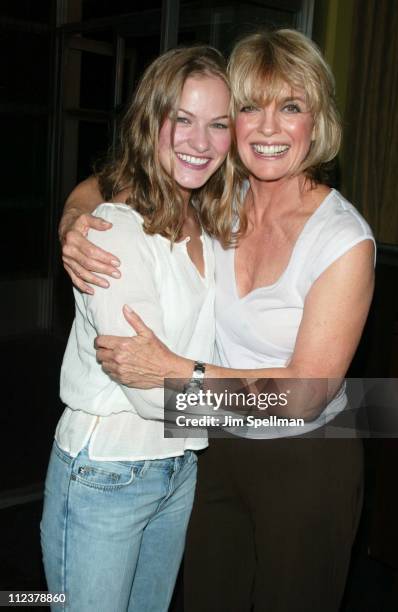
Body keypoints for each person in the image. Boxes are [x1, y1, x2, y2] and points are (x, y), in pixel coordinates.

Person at [59, 29, 375, 612]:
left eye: (291, 107)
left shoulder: (342, 239)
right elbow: (111, 184)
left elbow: (305, 395)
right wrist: (75, 221)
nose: (269, 128)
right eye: (249, 108)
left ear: (318, 121)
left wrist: (177, 371)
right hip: (211, 448)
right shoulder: (216, 196)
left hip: (305, 458)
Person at [41, 45, 232, 612]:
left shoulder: (211, 220)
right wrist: (281, 403)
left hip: (178, 470)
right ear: (151, 120)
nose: (201, 143)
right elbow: (152, 396)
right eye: (183, 119)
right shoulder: (114, 232)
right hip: (107, 474)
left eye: (218, 124)